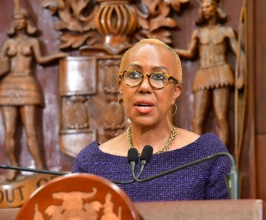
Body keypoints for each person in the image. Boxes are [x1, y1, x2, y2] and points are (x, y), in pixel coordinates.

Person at [72, 38, 231, 202]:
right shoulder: (90, 163)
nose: (145, 87)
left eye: (158, 77)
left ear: (175, 92)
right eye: (134, 75)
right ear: (120, 86)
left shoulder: (207, 155)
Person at [0, 5, 66, 181]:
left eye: (21, 19)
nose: (19, 22)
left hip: (27, 85)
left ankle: (40, 167)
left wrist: (57, 56)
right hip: (8, 87)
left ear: (27, 22)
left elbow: (41, 59)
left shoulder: (33, 42)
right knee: (9, 132)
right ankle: (12, 167)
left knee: (31, 131)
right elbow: (2, 63)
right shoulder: (8, 44)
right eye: (16, 20)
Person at [174, 0, 245, 147]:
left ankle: (222, 158)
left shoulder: (226, 31)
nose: (206, 9)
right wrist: (171, 50)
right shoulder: (198, 33)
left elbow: (239, 54)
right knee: (198, 119)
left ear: (216, 7)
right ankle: (199, 159)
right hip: (203, 74)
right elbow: (191, 53)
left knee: (221, 117)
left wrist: (241, 76)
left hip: (221, 72)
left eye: (208, 6)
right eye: (204, 7)